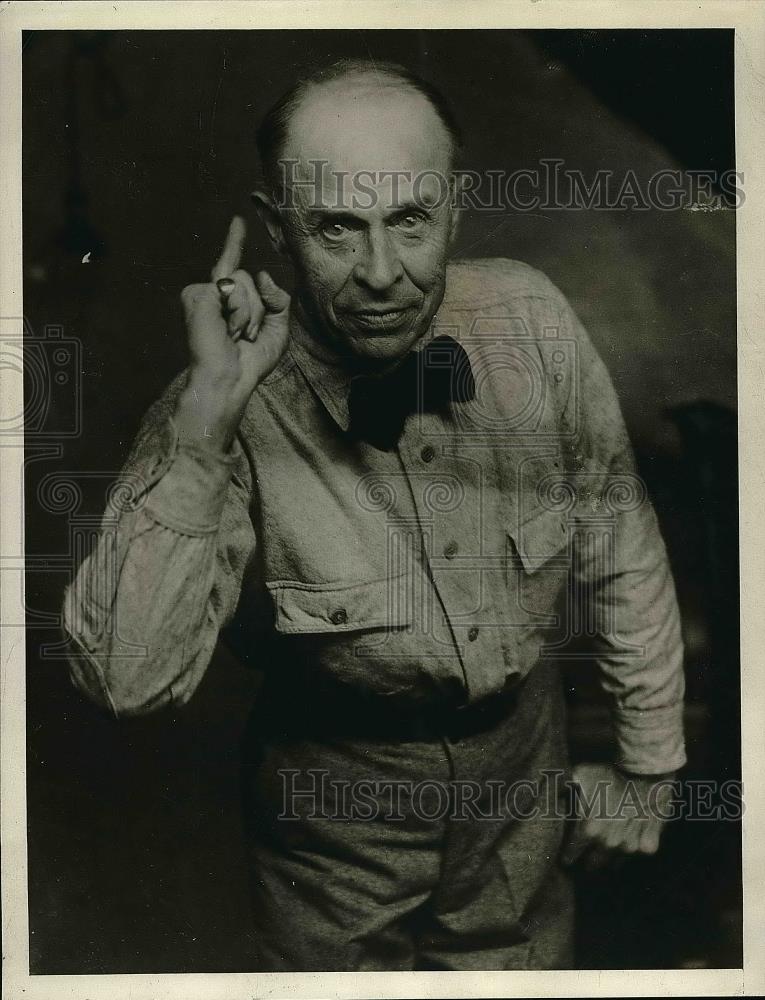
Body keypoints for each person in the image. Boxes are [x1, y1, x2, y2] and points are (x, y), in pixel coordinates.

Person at [62, 58, 686, 971]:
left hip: (522, 802)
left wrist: (648, 765)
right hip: (331, 836)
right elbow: (126, 680)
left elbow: (618, 542)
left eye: (409, 220)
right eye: (336, 229)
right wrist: (204, 427)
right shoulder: (217, 402)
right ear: (277, 228)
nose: (382, 274)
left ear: (454, 208)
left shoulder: (531, 321)